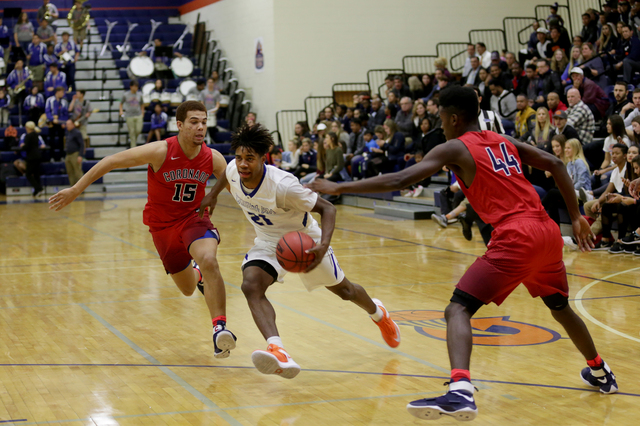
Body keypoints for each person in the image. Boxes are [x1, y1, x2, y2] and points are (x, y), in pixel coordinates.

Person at [308, 85, 617, 421]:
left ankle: (460, 391)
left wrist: (340, 186)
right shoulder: (503, 140)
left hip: (516, 235)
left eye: (441, 118)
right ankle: (600, 371)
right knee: (559, 306)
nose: (441, 125)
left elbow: (401, 178)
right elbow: (555, 162)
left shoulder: (454, 147)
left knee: (457, 309)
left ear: (453, 118)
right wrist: (574, 217)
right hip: (546, 231)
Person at [198, 124, 401, 379]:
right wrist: (213, 195)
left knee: (346, 291)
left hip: (305, 242)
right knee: (251, 285)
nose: (242, 164)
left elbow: (328, 208)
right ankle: (278, 350)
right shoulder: (233, 169)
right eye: (239, 157)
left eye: (250, 158)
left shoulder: (283, 186)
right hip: (269, 242)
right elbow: (227, 175)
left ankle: (379, 314)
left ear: (264, 158)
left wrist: (323, 245)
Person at [49, 101, 236, 357]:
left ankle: (219, 330)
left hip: (194, 220)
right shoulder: (160, 150)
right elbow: (111, 160)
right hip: (162, 228)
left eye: (203, 121)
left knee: (208, 259)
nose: (200, 127)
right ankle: (198, 276)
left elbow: (236, 190)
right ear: (179, 125)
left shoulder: (213, 158)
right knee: (188, 288)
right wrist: (75, 189)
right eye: (194, 121)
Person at [19, 121, 46, 197]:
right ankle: (37, 191)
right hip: (38, 156)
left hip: (31, 157)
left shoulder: (28, 136)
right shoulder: (36, 135)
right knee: (36, 174)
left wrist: (22, 146)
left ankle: (39, 188)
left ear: (27, 128)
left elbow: (26, 147)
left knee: (28, 174)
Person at [44, 86, 69, 157]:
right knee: (52, 140)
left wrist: (64, 122)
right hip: (52, 123)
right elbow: (47, 111)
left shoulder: (64, 101)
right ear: (57, 92)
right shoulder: (49, 100)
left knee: (61, 140)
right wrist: (52, 119)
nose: (63, 93)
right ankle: (52, 156)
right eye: (62, 92)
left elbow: (65, 113)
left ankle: (61, 155)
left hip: (61, 123)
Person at [120, 81, 144, 149]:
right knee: (132, 132)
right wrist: (121, 111)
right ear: (131, 87)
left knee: (138, 130)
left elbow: (142, 104)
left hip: (138, 115)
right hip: (129, 115)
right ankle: (133, 148)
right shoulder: (126, 95)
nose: (136, 88)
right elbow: (121, 103)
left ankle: (132, 141)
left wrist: (142, 113)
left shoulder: (140, 95)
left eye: (137, 86)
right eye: (135, 86)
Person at [64, 119, 85, 186]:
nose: (67, 126)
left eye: (68, 124)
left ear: (73, 124)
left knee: (77, 172)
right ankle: (72, 188)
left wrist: (80, 155)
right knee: (70, 172)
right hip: (68, 155)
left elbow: (82, 144)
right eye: (66, 124)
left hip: (75, 154)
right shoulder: (68, 132)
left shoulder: (77, 132)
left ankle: (81, 187)